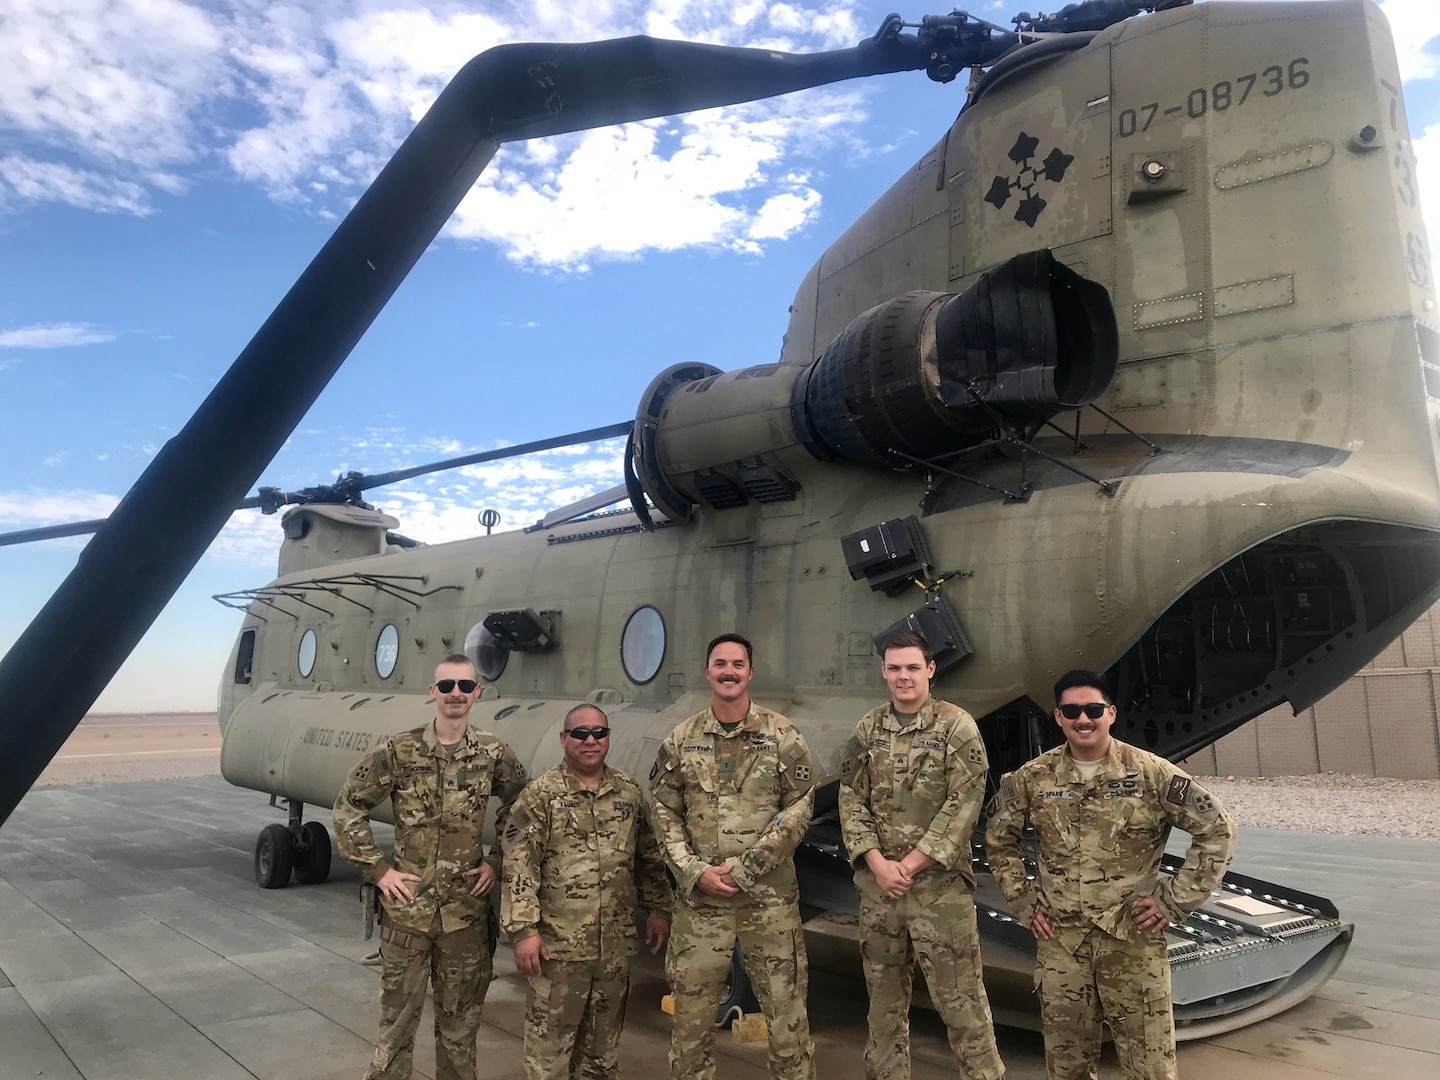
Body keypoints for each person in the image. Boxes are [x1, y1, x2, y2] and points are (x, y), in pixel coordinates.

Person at [984, 670, 1237, 1080]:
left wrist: (1174, 900)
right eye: (1072, 710)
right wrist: (1025, 901)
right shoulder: (1033, 778)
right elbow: (999, 839)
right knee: (1067, 1067)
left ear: (1111, 713)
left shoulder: (1152, 774)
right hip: (1062, 944)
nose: (1084, 719)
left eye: (1093, 709)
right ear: (1059, 717)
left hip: (1132, 942)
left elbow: (1218, 829)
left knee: (1149, 1067)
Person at [334, 654, 528, 1080]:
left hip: (466, 918)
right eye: (446, 686)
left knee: (460, 1035)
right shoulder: (399, 751)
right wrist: (378, 870)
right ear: (433, 692)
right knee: (395, 1032)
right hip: (408, 917)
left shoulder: (494, 753)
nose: (455, 694)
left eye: (464, 686)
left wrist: (497, 860)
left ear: (477, 692)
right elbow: (349, 806)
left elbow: (521, 807)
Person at [838, 629, 1006, 1080]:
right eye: (894, 668)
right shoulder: (868, 729)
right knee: (884, 1011)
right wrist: (875, 862)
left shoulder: (956, 727)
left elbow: (964, 804)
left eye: (913, 667)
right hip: (880, 896)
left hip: (940, 895)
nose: (903, 677)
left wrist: (909, 865)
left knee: (964, 1009)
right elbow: (851, 798)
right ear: (883, 673)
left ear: (931, 669)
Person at [649, 632, 817, 1080]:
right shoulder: (682, 741)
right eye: (720, 664)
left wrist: (750, 867)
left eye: (737, 664)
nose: (728, 671)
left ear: (750, 672)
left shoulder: (783, 736)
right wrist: (693, 870)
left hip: (769, 905)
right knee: (691, 1027)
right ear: (708, 672)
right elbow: (664, 809)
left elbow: (799, 807)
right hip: (701, 907)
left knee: (788, 1023)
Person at [501, 703, 673, 1080]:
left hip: (613, 949)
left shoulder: (628, 792)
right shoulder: (540, 796)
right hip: (558, 949)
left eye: (599, 732)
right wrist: (524, 930)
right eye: (580, 733)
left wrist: (659, 909)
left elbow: (648, 855)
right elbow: (518, 864)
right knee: (549, 1058)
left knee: (602, 1057)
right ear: (565, 739)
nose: (591, 740)